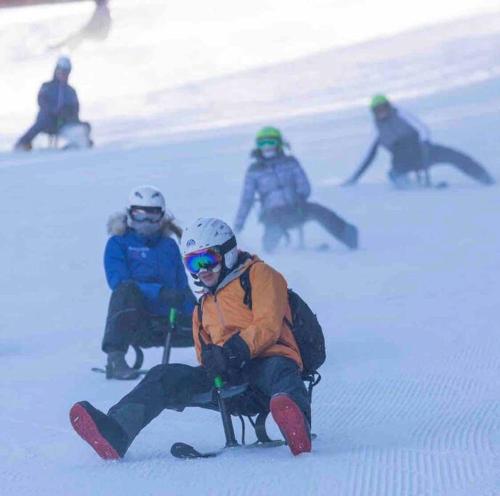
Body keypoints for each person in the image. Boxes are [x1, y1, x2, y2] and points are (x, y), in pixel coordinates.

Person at [70, 218, 312, 457]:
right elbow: (203, 352)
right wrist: (212, 360)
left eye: (207, 260)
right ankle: (117, 432)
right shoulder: (202, 305)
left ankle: (295, 423)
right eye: (193, 263)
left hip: (267, 365)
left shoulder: (260, 275)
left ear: (227, 252)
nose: (202, 270)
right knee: (163, 376)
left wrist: (230, 351)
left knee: (281, 369)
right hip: (230, 380)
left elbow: (268, 325)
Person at [101, 186, 196, 380]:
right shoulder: (118, 243)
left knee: (208, 317)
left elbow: (181, 284)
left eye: (152, 216)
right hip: (138, 319)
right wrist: (158, 292)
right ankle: (115, 358)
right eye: (139, 215)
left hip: (169, 318)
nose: (146, 222)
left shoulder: (168, 245)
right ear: (129, 215)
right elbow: (117, 281)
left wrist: (199, 316)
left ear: (161, 217)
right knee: (124, 290)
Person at [234, 127, 358, 252]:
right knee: (271, 243)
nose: (267, 147)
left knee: (319, 211)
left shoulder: (290, 162)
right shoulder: (254, 170)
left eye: (271, 142)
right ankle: (272, 253)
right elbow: (247, 199)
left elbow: (305, 187)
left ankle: (348, 235)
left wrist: (298, 198)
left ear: (279, 143)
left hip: (295, 209)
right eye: (262, 143)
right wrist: (239, 224)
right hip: (272, 215)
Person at [343, 94, 495, 188]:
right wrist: (354, 178)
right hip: (402, 160)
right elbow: (369, 157)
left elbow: (423, 129)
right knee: (396, 174)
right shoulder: (376, 130)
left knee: (454, 156)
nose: (381, 112)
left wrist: (425, 146)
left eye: (383, 108)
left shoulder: (401, 114)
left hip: (422, 151)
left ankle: (485, 178)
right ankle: (410, 187)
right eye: (377, 110)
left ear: (389, 106)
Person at [14, 56, 92, 151]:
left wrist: (67, 113)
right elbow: (41, 101)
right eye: (61, 71)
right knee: (43, 119)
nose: (63, 74)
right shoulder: (47, 86)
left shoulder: (71, 91)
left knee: (84, 125)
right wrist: (54, 110)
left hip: (63, 122)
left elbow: (75, 109)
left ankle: (79, 143)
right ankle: (23, 143)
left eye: (66, 72)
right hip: (48, 121)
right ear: (56, 71)